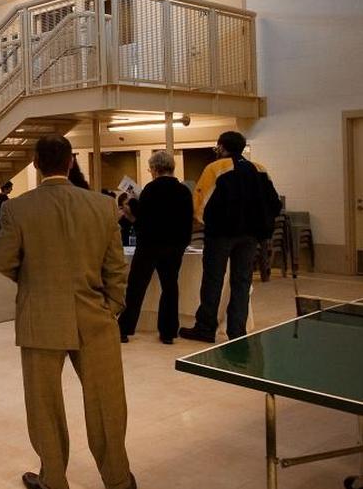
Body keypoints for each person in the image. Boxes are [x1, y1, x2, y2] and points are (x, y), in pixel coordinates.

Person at [0, 134, 135, 489]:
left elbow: (2, 260)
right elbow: (116, 268)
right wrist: (112, 306)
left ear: (36, 164)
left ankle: (53, 479)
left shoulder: (18, 209)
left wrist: (32, 281)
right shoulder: (103, 206)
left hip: (40, 316)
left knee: (44, 404)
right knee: (106, 402)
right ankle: (118, 479)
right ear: (70, 162)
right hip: (95, 317)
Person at [179, 131, 281, 343]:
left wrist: (204, 222)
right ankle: (237, 330)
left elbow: (200, 201)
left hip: (221, 234)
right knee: (242, 281)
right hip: (250, 236)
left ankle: (205, 328)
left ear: (222, 147)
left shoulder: (215, 168)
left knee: (213, 280)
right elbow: (274, 202)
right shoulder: (259, 169)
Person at [117, 151, 194, 345]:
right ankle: (168, 331)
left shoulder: (150, 190)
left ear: (155, 169)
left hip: (149, 245)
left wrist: (132, 208)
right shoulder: (183, 191)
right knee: (170, 287)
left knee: (136, 286)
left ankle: (125, 328)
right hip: (174, 245)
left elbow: (143, 220)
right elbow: (188, 221)